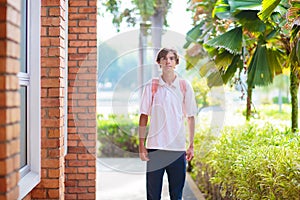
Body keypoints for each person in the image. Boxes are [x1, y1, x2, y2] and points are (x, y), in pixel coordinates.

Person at [138, 47, 198, 200]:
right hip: (155, 148)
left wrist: (191, 144)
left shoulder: (184, 86)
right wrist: (141, 145)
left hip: (177, 149)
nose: (167, 61)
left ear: (176, 62)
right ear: (159, 62)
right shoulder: (152, 86)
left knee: (176, 196)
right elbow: (144, 115)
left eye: (171, 58)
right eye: (164, 58)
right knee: (153, 196)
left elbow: (191, 117)